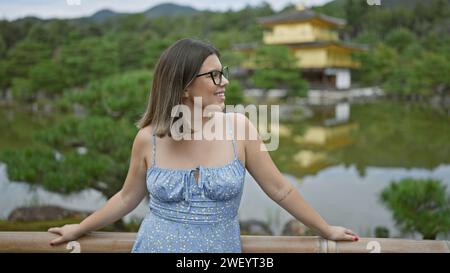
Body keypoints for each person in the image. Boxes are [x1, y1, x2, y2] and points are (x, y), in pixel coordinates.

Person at [48, 38, 359, 253]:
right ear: (184, 87)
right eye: (214, 75)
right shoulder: (148, 139)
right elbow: (127, 197)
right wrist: (79, 228)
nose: (224, 82)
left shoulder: (240, 128)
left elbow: (281, 190)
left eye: (222, 73)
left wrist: (326, 229)